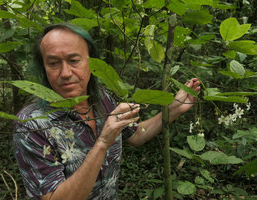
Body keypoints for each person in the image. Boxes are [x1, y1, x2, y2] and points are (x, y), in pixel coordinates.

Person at [13, 23, 201, 200]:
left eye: (74, 60)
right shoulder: (32, 123)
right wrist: (103, 142)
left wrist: (174, 108)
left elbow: (135, 135)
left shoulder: (102, 99)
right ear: (43, 68)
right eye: (53, 63)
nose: (65, 73)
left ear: (91, 62)